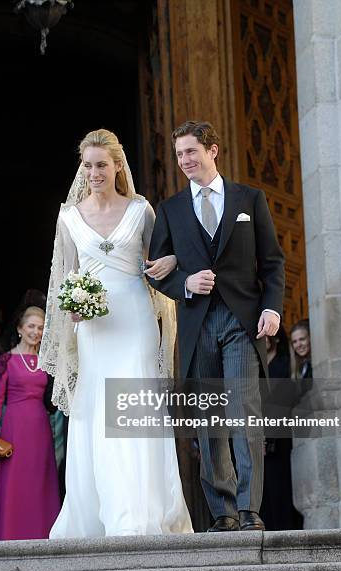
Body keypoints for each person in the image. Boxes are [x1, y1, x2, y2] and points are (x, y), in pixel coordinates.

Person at [39, 128, 192, 537]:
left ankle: (137, 514)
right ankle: (100, 513)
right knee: (98, 410)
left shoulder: (141, 209)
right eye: (87, 165)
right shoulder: (68, 216)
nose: (94, 172)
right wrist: (72, 307)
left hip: (135, 318)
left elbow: (156, 261)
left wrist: (172, 260)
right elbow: (65, 277)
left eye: (101, 164)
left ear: (117, 165)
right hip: (94, 328)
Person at [147, 120, 285, 532]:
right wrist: (183, 283)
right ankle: (222, 512)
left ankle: (248, 510)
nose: (185, 161)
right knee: (210, 421)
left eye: (191, 151)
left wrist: (273, 309)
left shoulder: (250, 199)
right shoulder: (170, 210)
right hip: (198, 325)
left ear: (213, 150)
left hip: (243, 322)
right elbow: (154, 270)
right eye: (179, 155)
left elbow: (274, 262)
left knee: (245, 414)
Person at [0, 305, 60, 540]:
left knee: (40, 482)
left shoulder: (47, 361)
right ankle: (11, 535)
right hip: (15, 427)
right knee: (16, 484)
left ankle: (43, 536)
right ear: (19, 328)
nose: (35, 331)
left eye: (40, 328)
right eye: (31, 326)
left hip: (40, 427)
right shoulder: (6, 359)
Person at [260, 326, 303, 530]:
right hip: (259, 438)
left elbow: (285, 403)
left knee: (281, 488)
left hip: (280, 437)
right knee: (263, 492)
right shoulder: (256, 366)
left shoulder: (285, 364)